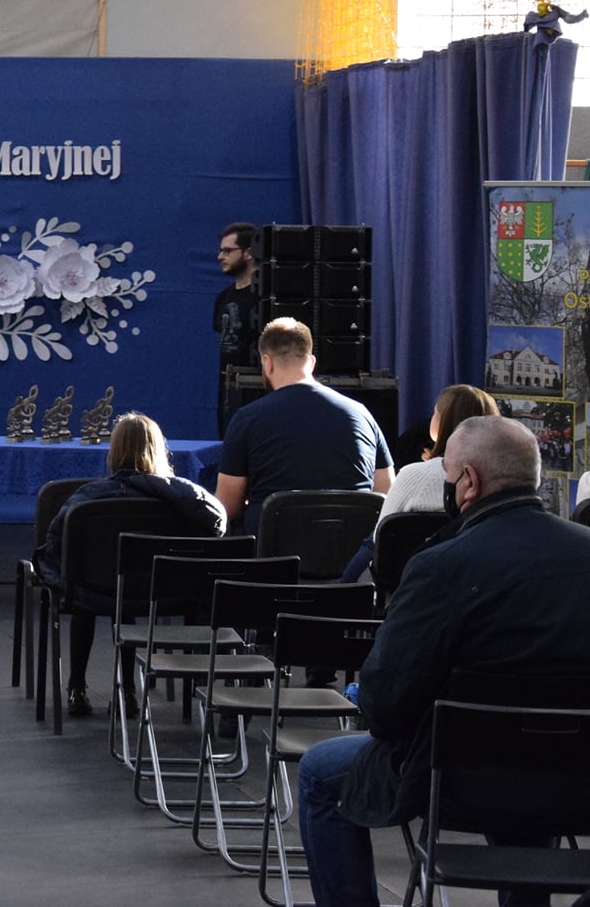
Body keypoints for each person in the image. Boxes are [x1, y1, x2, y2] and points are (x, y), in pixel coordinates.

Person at [296, 416, 590, 907]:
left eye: (449, 476)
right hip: (576, 781)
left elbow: (384, 704)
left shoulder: (441, 566)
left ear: (469, 481)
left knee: (320, 773)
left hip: (457, 780)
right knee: (536, 765)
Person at [33, 413, 226, 718]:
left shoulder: (87, 498)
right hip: (163, 594)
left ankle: (76, 688)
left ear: (115, 451)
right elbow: (216, 526)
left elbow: (56, 543)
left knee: (83, 580)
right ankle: (128, 692)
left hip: (95, 592)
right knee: (122, 590)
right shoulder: (183, 499)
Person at [215, 318, 392, 534]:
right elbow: (387, 491)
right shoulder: (362, 415)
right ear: (312, 362)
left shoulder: (246, 419)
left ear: (267, 362)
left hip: (272, 549)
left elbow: (227, 507)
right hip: (352, 549)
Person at [337, 383, 497, 582]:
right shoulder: (499, 480)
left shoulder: (414, 475)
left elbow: (380, 539)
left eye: (435, 413)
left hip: (407, 586)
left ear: (442, 422)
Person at [214, 222, 260, 438]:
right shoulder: (223, 297)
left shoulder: (265, 296)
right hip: (228, 387)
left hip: (258, 385)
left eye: (227, 251)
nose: (220, 257)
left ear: (248, 253)